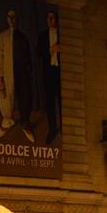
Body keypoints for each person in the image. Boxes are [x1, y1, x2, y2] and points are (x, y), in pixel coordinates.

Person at [0, 9, 35, 142]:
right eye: (9, 17)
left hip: (22, 72)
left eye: (14, 17)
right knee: (6, 97)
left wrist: (28, 72)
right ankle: (7, 121)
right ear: (7, 19)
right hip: (7, 72)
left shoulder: (22, 37)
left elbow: (28, 56)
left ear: (17, 19)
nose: (12, 20)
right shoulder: (3, 36)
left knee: (24, 96)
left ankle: (25, 123)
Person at [37, 10, 61, 145]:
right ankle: (52, 128)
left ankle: (63, 127)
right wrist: (50, 49)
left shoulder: (62, 35)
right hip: (48, 71)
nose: (51, 20)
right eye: (49, 18)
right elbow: (38, 51)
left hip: (59, 71)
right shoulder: (43, 35)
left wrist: (61, 48)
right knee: (50, 102)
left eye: (53, 18)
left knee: (62, 101)